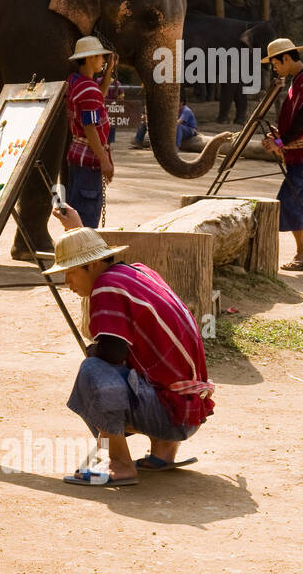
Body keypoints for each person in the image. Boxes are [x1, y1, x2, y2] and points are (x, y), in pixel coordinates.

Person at [45, 204, 214, 486]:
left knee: (92, 370)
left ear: (91, 265)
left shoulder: (107, 286)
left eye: (70, 273)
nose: (67, 282)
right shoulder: (139, 273)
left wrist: (93, 351)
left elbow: (112, 353)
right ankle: (163, 452)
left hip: (169, 416)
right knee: (137, 363)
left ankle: (120, 464)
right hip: (190, 410)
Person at [260, 37, 303, 272]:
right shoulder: (296, 80)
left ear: (286, 58)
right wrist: (282, 136)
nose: (275, 69)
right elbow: (296, 120)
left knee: (287, 202)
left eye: (276, 64)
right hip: (300, 154)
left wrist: (280, 141)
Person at [64, 35, 115, 228]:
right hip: (89, 161)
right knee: (86, 220)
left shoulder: (75, 81)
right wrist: (104, 160)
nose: (103, 60)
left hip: (76, 156)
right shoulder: (89, 90)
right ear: (91, 58)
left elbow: (97, 95)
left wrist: (108, 72)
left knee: (75, 214)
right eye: (101, 57)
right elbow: (90, 127)